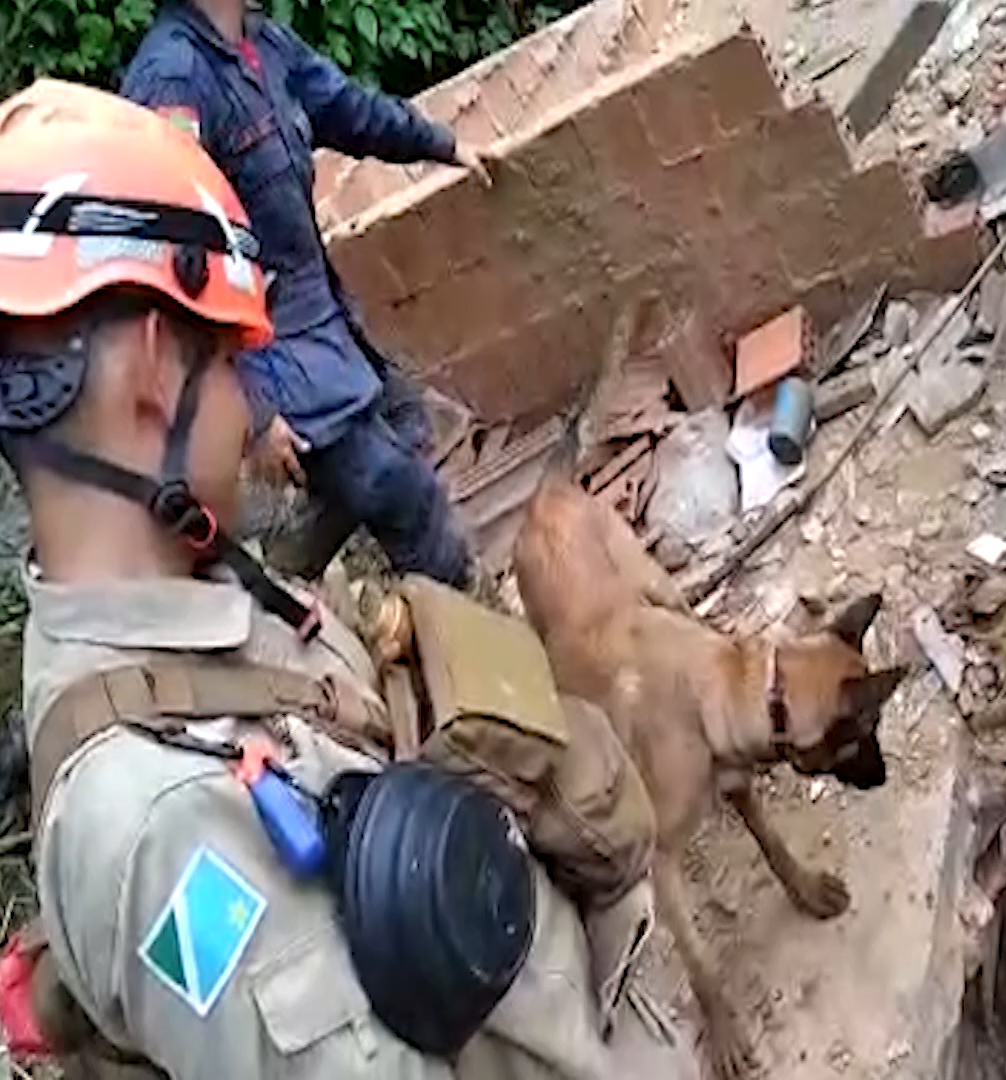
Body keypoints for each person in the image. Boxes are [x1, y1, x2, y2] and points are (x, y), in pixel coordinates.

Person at [0, 80, 691, 1080]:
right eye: (237, 367)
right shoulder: (160, 836)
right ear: (155, 372)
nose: (250, 413)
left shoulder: (209, 595)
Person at [121, 0, 483, 588]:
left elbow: (349, 111)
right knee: (403, 493)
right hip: (264, 350)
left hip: (324, 323)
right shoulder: (172, 81)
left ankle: (284, 581)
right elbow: (163, 273)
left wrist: (440, 144)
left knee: (409, 426)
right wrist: (253, 413)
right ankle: (478, 636)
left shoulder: (265, 46)